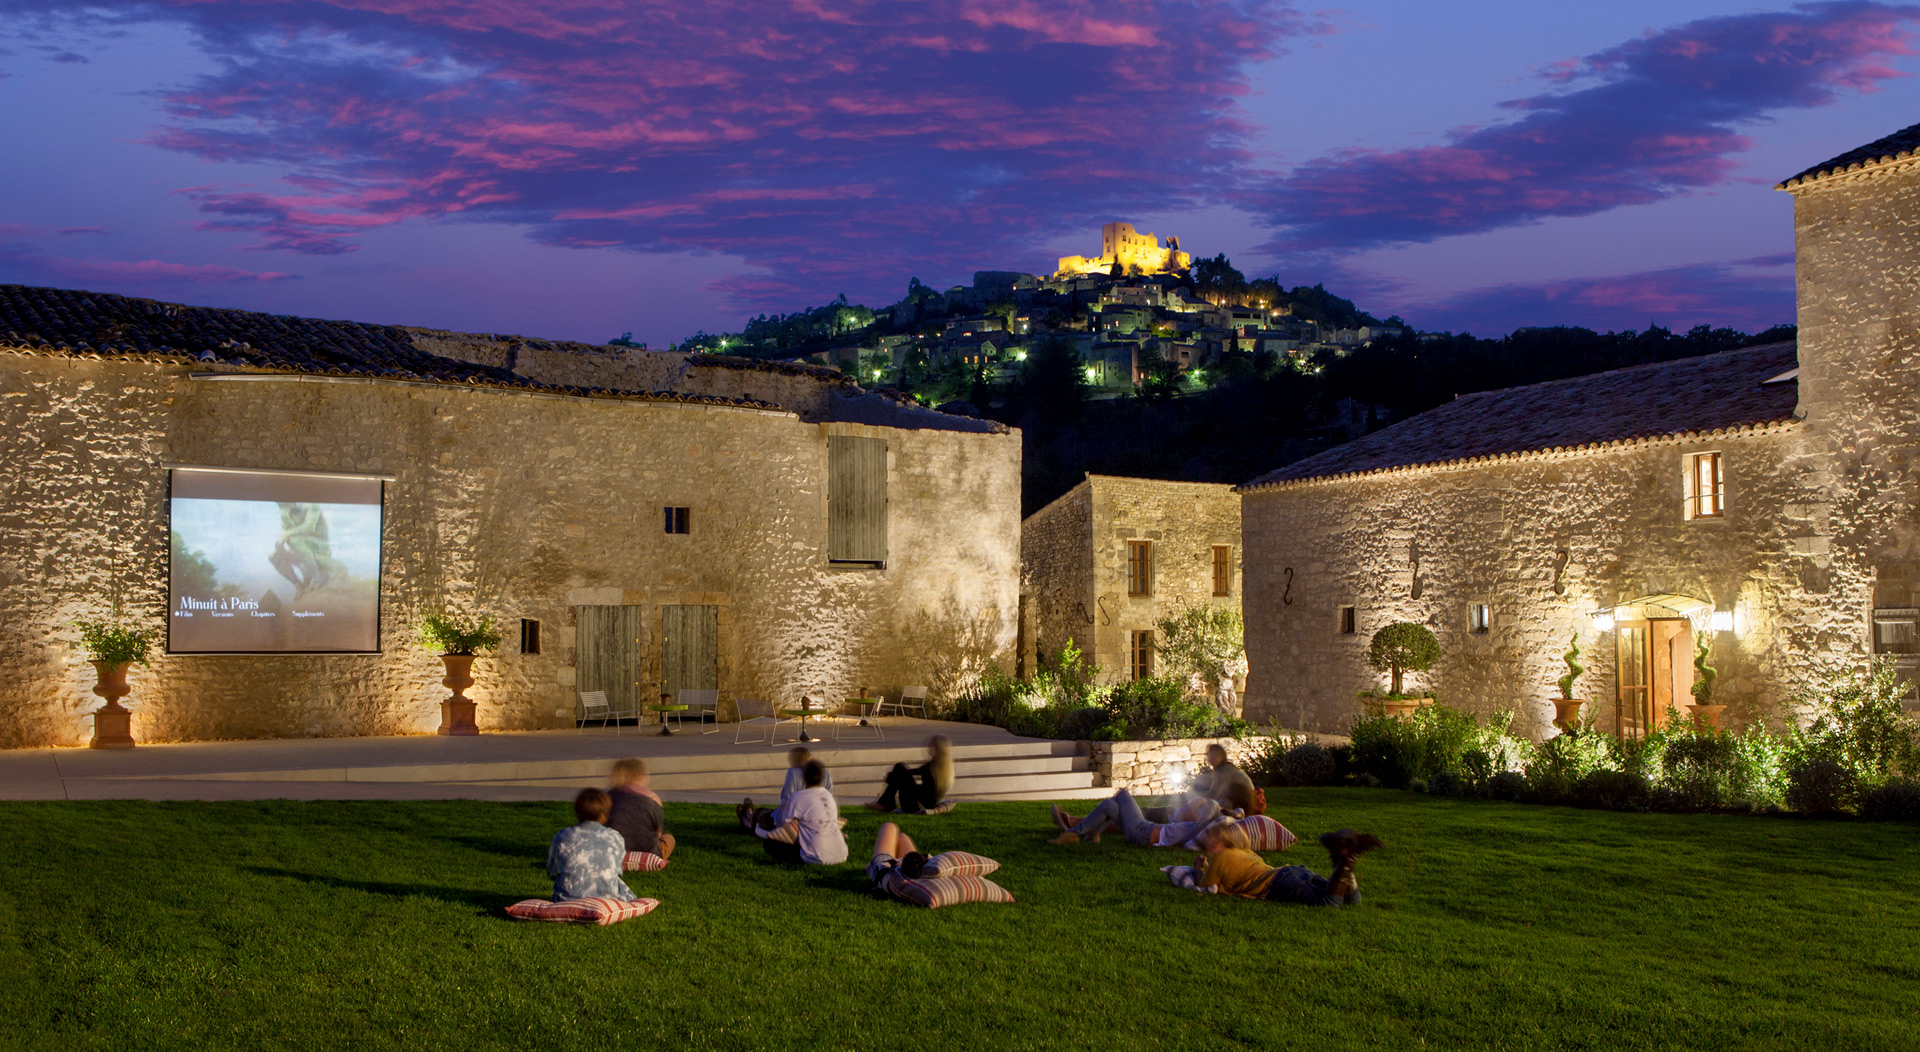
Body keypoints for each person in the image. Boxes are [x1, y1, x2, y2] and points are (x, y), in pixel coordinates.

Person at [1169, 824, 1380, 906]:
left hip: (1278, 883)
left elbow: (1205, 884)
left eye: (1212, 845)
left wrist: (1198, 868)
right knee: (1351, 899)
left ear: (1223, 844)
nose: (1209, 850)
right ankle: (1340, 856)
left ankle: (1346, 857)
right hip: (1291, 871)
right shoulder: (1245, 852)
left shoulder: (1221, 857)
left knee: (1329, 902)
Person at [545, 788, 637, 902]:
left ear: (577, 813)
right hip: (607, 898)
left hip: (566, 898)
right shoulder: (615, 837)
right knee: (621, 886)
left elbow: (552, 871)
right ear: (604, 815)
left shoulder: (562, 836)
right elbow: (617, 870)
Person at [1047, 788, 1220, 847]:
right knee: (1110, 805)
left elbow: (1211, 807)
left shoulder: (1198, 829)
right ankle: (1089, 834)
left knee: (1122, 794)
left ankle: (1074, 833)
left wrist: (1216, 811)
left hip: (1142, 832)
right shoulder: (1197, 829)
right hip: (1145, 829)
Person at [753, 760, 848, 865]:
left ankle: (802, 855)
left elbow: (783, 824)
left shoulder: (797, 797)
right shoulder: (828, 796)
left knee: (770, 844)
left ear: (804, 778)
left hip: (815, 857)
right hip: (841, 854)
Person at [738, 747, 835, 832]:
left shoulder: (793, 774)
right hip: (818, 820)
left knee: (761, 814)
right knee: (768, 812)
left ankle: (748, 820)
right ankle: (750, 814)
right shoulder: (824, 774)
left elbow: (787, 801)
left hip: (793, 822)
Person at [607, 758, 674, 862]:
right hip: (649, 852)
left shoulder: (608, 797)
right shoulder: (652, 798)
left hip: (613, 849)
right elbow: (658, 833)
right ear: (639, 776)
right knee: (669, 839)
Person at [865, 734, 953, 814]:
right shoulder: (944, 769)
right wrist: (895, 776)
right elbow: (912, 773)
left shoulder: (932, 767)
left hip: (914, 806)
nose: (929, 748)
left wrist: (894, 777)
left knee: (899, 767)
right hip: (920, 803)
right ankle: (886, 803)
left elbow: (923, 791)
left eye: (931, 746)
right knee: (900, 770)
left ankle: (886, 803)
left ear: (936, 748)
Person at [1191, 744, 1258, 816]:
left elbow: (1214, 795)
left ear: (1221, 756)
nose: (1211, 758)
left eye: (1215, 755)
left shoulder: (1224, 771)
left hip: (1243, 805)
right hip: (1242, 802)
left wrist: (1193, 802)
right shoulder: (1224, 768)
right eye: (1209, 755)